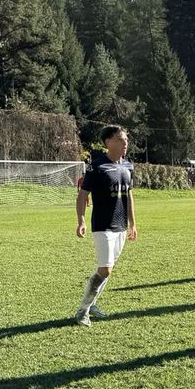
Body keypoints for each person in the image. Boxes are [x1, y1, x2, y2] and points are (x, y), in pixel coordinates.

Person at [74, 125, 137, 326]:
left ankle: (92, 304)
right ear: (108, 142)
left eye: (126, 139)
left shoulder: (128, 166)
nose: (125, 143)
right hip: (102, 225)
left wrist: (132, 224)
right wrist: (81, 220)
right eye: (120, 139)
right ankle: (82, 310)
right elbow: (83, 194)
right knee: (106, 269)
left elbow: (129, 195)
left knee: (108, 267)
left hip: (121, 225)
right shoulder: (97, 166)